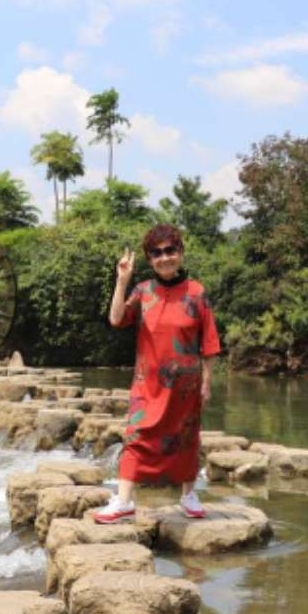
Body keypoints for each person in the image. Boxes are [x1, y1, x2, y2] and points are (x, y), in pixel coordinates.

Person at [94, 223, 221, 524]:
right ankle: (124, 501)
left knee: (186, 439)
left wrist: (206, 382)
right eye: (157, 253)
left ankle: (188, 495)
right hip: (147, 385)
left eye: (170, 250)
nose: (165, 258)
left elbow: (209, 343)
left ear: (180, 252)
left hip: (186, 386)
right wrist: (121, 281)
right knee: (136, 437)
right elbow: (116, 319)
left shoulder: (196, 293)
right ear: (150, 259)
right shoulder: (143, 292)